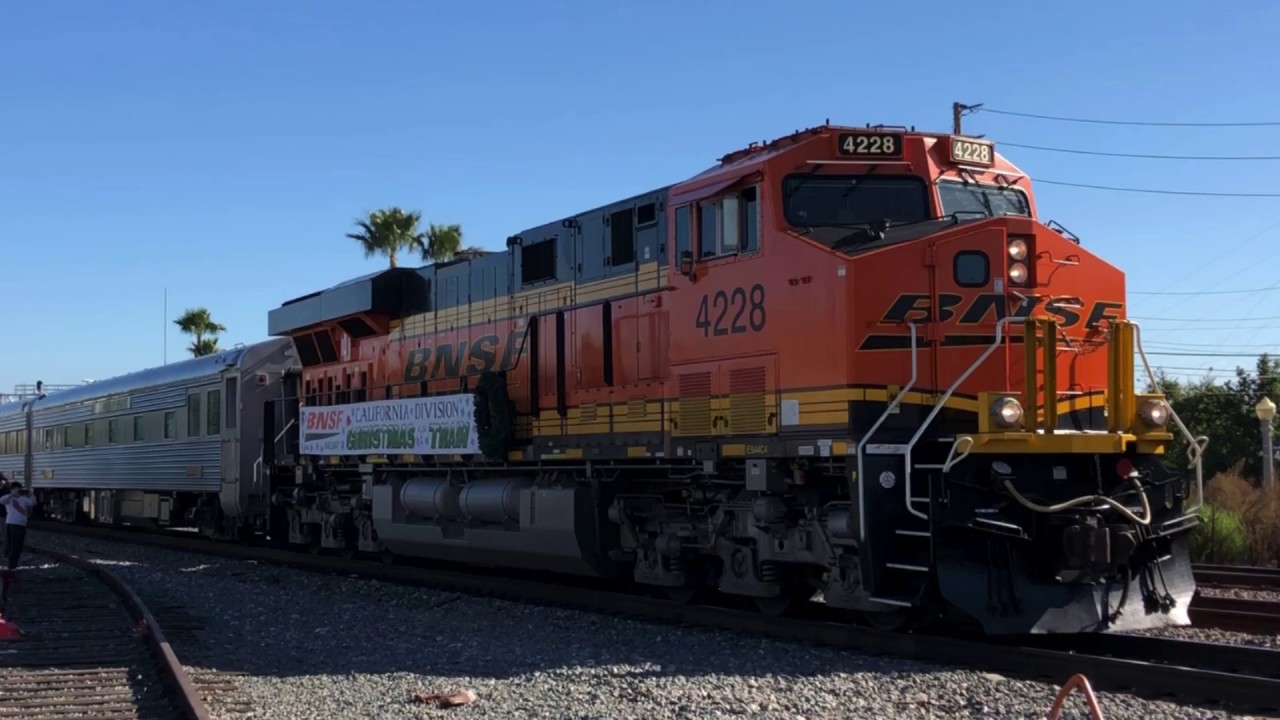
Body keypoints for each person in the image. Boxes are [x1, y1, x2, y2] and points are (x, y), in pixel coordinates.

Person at [0, 481, 34, 570]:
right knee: (13, 545)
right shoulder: (8, 498)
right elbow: (2, 501)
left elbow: (32, 503)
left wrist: (32, 494)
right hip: (11, 523)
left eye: (19, 489)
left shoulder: (23, 499)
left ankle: (12, 564)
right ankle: (12, 565)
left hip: (21, 524)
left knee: (17, 545)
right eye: (16, 489)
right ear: (11, 489)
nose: (18, 491)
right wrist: (12, 494)